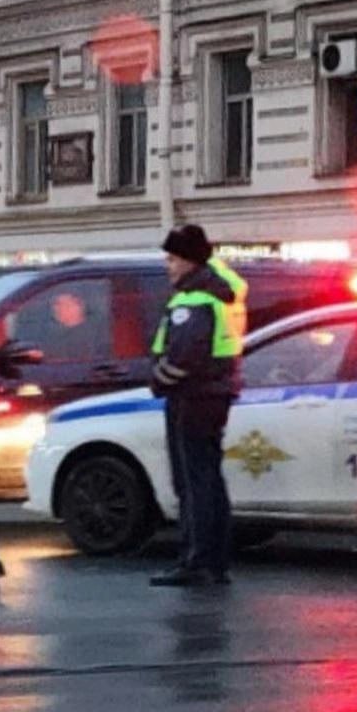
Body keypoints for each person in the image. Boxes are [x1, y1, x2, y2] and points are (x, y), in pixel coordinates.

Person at [148, 225, 247, 588]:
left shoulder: (194, 299)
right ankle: (213, 560)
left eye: (173, 258)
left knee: (193, 482)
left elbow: (185, 355)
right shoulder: (217, 291)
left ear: (189, 260)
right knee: (208, 479)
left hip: (192, 396)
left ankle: (198, 560)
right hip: (211, 394)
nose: (168, 266)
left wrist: (159, 379)